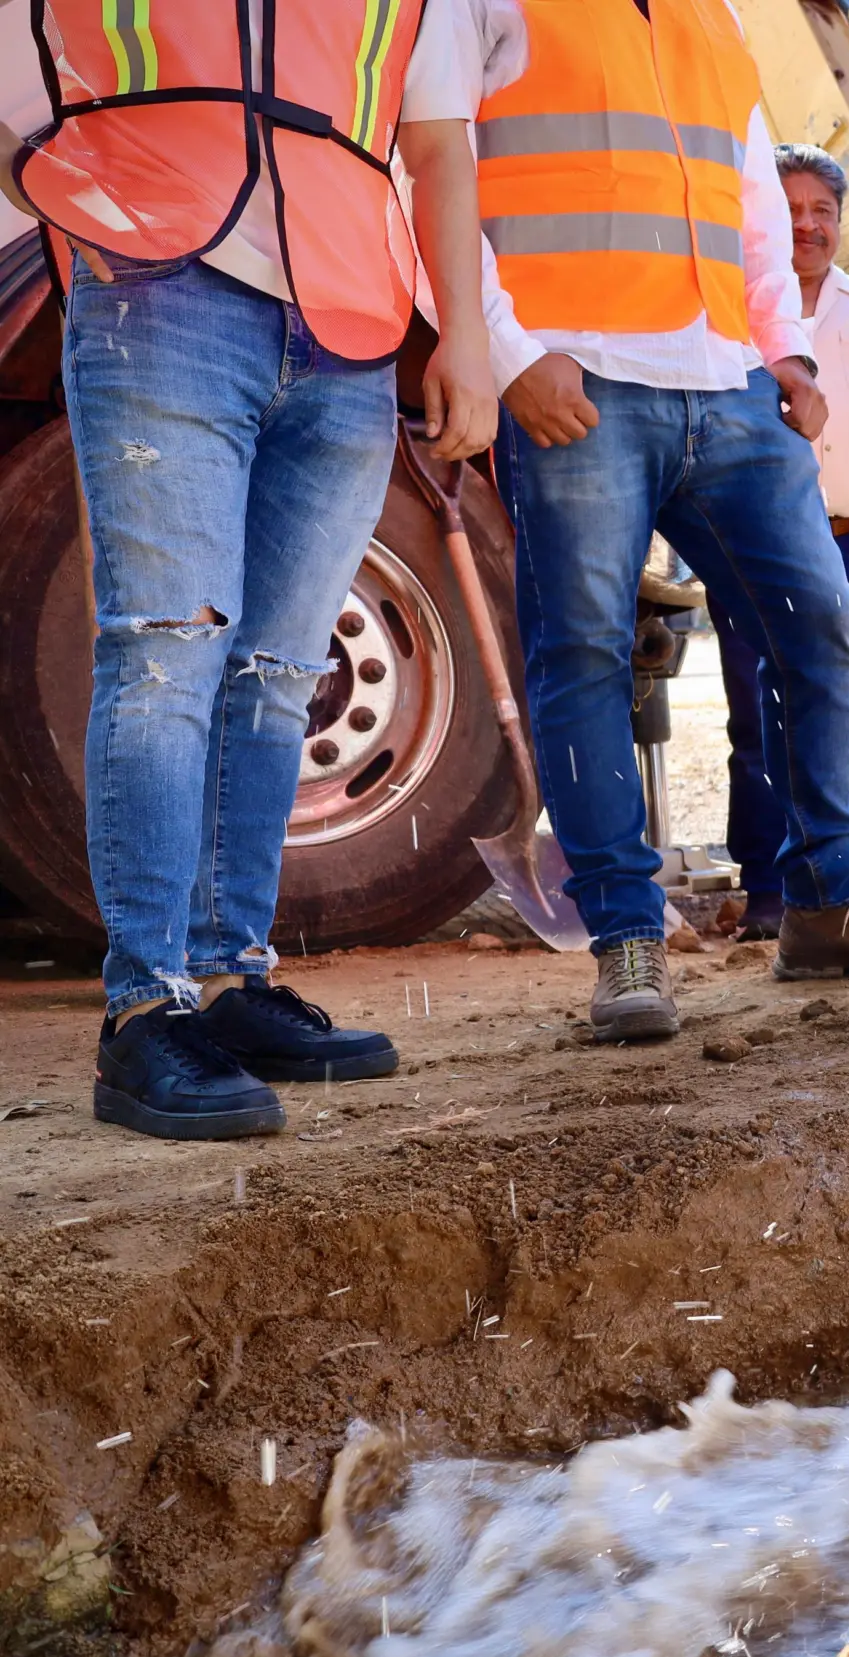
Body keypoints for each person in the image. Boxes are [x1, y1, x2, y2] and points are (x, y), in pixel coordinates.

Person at [6, 0, 497, 1138]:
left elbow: (434, 141)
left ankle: (229, 980)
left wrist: (462, 329)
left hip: (348, 322)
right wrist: (85, 211)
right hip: (162, 292)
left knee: (276, 671)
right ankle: (144, 1012)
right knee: (168, 647)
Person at [468, 0, 849, 1042]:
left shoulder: (719, 19)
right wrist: (509, 350)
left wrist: (781, 346)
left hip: (729, 376)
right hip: (578, 374)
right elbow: (420, 165)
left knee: (818, 622)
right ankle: (624, 938)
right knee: (583, 654)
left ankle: (831, 896)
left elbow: (746, 196)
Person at [710, 146, 849, 940]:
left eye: (823, 212)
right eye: (792, 209)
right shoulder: (729, 312)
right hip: (759, 551)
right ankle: (773, 893)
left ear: (840, 223)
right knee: (762, 719)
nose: (807, 225)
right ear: (764, 216)